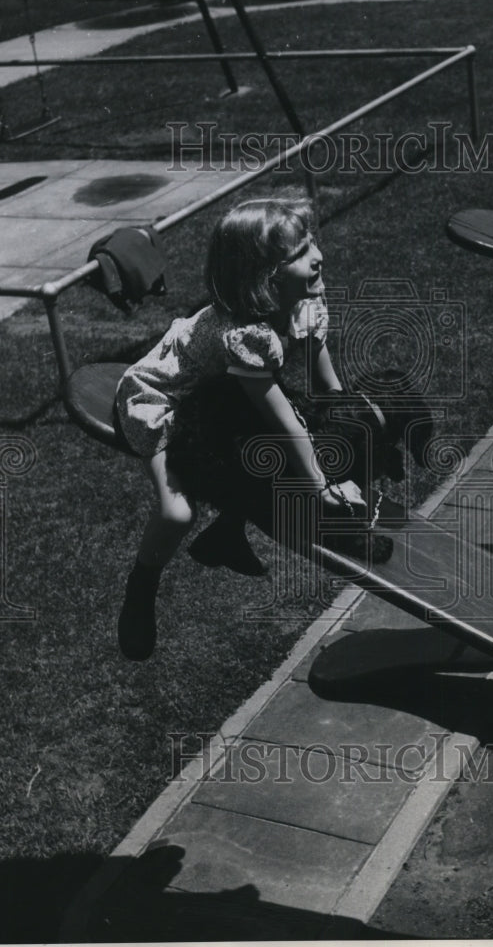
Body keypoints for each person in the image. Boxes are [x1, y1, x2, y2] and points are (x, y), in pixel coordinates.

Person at [114, 196, 365, 660]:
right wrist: (319, 483)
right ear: (266, 279)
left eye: (312, 243)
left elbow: (327, 392)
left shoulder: (303, 307)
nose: (318, 257)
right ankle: (141, 587)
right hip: (165, 398)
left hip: (217, 394)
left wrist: (352, 439)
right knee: (178, 512)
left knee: (260, 447)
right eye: (300, 254)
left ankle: (225, 534)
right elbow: (283, 420)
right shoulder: (247, 337)